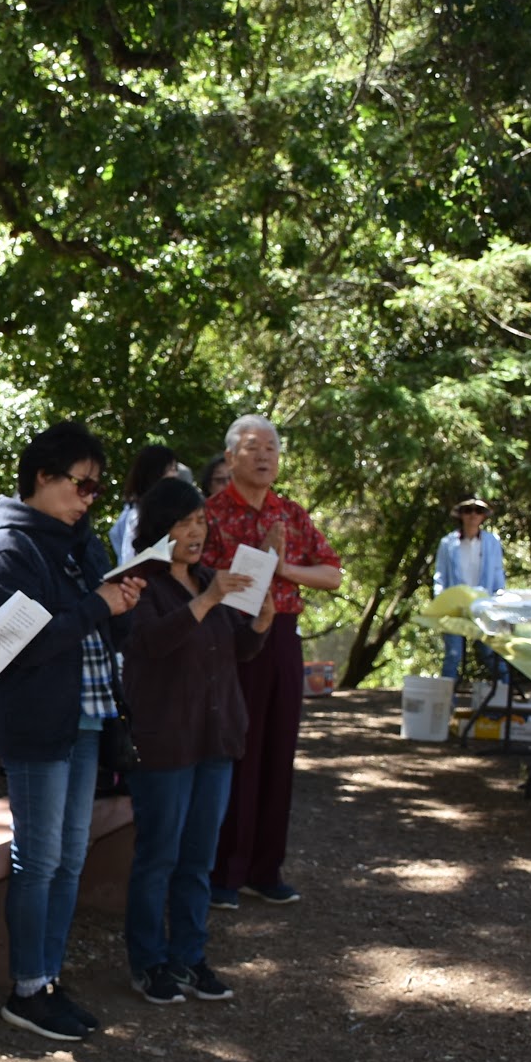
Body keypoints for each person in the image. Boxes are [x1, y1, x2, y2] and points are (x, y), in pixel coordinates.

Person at [0, 422, 144, 1042]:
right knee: (39, 859)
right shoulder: (10, 547)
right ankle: (26, 987)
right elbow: (15, 649)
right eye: (82, 483)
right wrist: (99, 604)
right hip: (39, 721)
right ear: (42, 477)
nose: (90, 497)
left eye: (98, 488)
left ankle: (47, 978)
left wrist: (123, 603)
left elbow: (102, 627)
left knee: (69, 859)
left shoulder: (78, 541)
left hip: (87, 717)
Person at [120, 476, 275, 1004]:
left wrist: (259, 626)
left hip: (216, 737)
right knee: (157, 857)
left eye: (201, 522)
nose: (195, 532)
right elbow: (148, 644)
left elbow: (233, 652)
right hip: (165, 741)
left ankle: (190, 956)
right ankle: (148, 962)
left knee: (198, 859)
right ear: (160, 527)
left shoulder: (210, 577)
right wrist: (206, 602)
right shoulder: (139, 581)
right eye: (184, 522)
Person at [200, 414, 341, 909]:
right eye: (254, 447)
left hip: (282, 634)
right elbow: (197, 574)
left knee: (279, 749)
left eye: (273, 449)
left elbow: (332, 574)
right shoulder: (212, 513)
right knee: (238, 749)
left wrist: (283, 567)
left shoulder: (291, 514)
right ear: (231, 456)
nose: (265, 457)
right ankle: (224, 871)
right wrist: (255, 562)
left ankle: (266, 868)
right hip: (231, 634)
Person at [433, 496, 508, 680]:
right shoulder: (448, 543)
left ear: (483, 516)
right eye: (468, 511)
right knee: (453, 656)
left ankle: (504, 698)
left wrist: (500, 601)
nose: (473, 515)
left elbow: (498, 574)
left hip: (484, 606)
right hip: (455, 608)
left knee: (491, 654)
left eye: (478, 511)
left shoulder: (491, 542)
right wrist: (440, 601)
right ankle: (445, 704)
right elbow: (440, 575)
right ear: (461, 515)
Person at [105, 444, 177, 574]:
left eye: (175, 469)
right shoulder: (135, 515)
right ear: (154, 473)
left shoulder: (170, 510)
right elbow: (129, 561)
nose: (175, 475)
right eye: (171, 469)